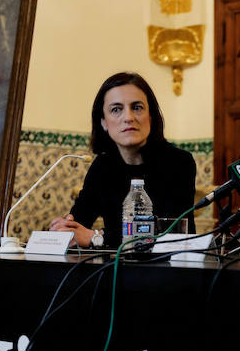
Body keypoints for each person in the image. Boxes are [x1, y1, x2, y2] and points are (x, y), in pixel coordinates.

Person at [49, 72, 196, 248]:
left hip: (166, 271)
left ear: (151, 116)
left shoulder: (179, 162)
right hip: (114, 271)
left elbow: (171, 235)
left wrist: (98, 237)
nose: (128, 117)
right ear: (103, 122)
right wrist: (65, 229)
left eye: (137, 107)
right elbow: (79, 223)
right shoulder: (102, 166)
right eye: (116, 109)